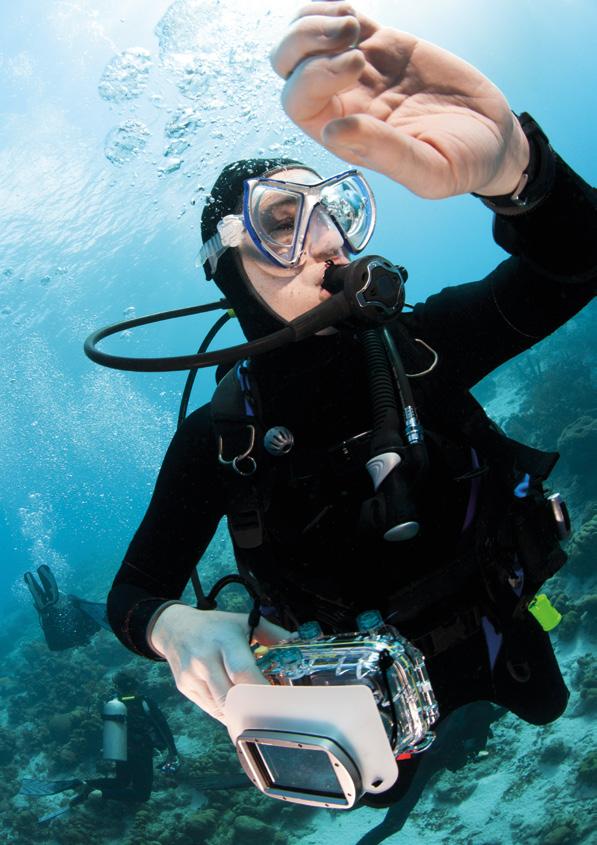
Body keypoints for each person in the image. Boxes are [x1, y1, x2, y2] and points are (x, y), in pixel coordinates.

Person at [105, 0, 596, 809]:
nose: (327, 240)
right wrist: (169, 626)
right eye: (282, 222)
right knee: (383, 796)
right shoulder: (222, 438)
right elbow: (133, 592)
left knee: (548, 703)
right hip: (365, 702)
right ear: (227, 265)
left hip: (496, 620)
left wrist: (520, 171)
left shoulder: (419, 347)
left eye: (334, 212)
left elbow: (575, 265)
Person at [20, 670, 180, 817]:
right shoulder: (145, 703)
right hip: (141, 752)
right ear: (136, 684)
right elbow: (163, 727)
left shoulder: (112, 704)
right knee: (142, 795)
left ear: (117, 688)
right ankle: (98, 794)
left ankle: (80, 784)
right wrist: (172, 751)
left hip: (119, 750)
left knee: (121, 781)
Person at [24, 563, 110, 651]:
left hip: (66, 609)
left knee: (61, 606)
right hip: (56, 615)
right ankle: (46, 608)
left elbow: (92, 612)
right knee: (52, 615)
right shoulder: (73, 640)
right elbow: (52, 643)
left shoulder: (88, 631)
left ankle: (49, 606)